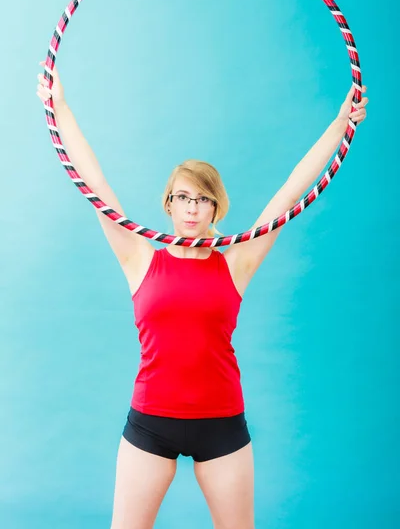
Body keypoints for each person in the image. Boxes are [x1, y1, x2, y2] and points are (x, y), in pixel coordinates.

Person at [36, 63, 368, 529]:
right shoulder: (140, 258)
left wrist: (340, 125)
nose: (193, 208)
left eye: (203, 199)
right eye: (184, 197)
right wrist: (60, 106)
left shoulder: (236, 261)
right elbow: (95, 184)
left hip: (222, 423)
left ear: (216, 206)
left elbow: (289, 193)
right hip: (150, 421)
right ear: (168, 204)